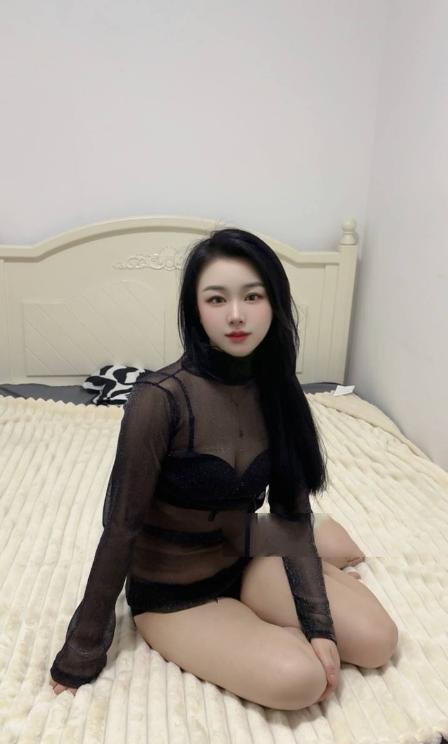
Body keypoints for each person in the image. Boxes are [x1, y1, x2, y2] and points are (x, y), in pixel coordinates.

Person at [49, 228, 398, 709]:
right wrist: (80, 652)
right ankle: (316, 560)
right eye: (217, 299)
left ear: (274, 303)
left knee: (379, 642)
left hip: (243, 553)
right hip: (175, 592)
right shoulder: (158, 399)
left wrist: (318, 626)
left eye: (252, 296)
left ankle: (316, 559)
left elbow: (291, 517)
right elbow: (121, 527)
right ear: (196, 309)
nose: (236, 314)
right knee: (301, 680)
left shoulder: (278, 389)